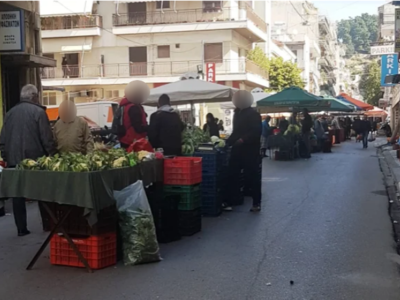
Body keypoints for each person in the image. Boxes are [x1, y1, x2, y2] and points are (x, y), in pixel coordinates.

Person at [0, 84, 56, 236]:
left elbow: (3, 139)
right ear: (34, 97)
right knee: (42, 193)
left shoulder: (10, 113)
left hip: (14, 161)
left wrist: (6, 157)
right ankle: (47, 224)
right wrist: (53, 155)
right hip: (35, 160)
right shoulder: (39, 112)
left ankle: (21, 229)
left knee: (18, 195)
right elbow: (47, 138)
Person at [224, 90, 262, 212]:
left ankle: (256, 203)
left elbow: (256, 132)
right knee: (232, 175)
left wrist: (242, 140)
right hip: (237, 150)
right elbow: (236, 132)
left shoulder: (253, 114)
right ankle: (231, 201)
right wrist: (228, 142)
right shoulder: (237, 114)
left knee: (252, 177)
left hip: (250, 151)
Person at [117, 80, 149, 148]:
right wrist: (150, 127)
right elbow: (138, 127)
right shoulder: (134, 108)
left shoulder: (124, 106)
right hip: (134, 141)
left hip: (125, 139)